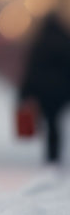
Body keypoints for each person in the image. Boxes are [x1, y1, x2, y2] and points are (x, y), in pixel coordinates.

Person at [19, 11, 70, 163]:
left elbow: (32, 69)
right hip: (62, 92)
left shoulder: (40, 42)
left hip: (44, 92)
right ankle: (54, 151)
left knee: (50, 120)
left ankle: (51, 153)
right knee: (55, 120)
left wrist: (25, 92)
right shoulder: (65, 41)